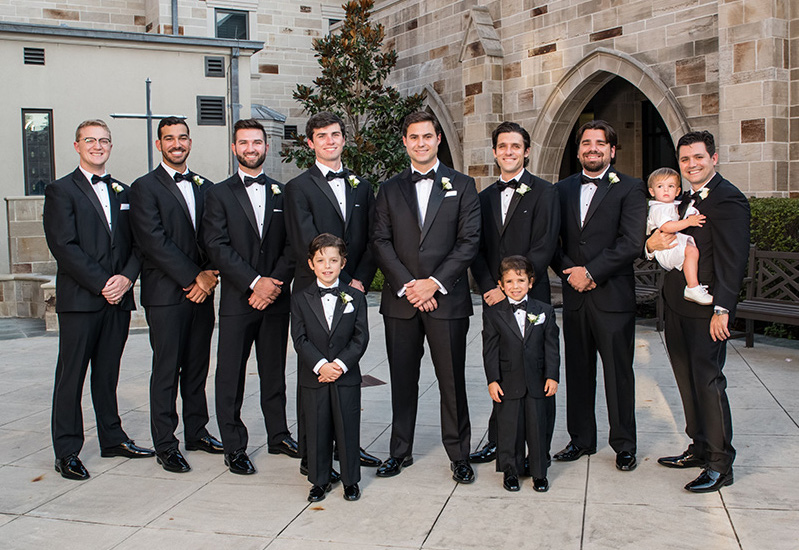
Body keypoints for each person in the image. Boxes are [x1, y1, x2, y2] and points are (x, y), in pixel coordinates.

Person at [372, 111, 481, 483]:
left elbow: (469, 242)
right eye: (413, 137)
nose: (420, 143)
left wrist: (433, 283)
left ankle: (459, 454)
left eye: (427, 136)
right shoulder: (388, 189)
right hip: (401, 302)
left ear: (438, 140)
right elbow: (381, 241)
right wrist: (408, 285)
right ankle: (399, 451)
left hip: (446, 300)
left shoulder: (463, 185)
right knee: (403, 380)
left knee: (452, 381)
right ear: (405, 142)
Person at [43, 119, 154, 480]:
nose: (97, 146)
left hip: (117, 299)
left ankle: (112, 437)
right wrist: (103, 282)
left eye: (103, 140)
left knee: (107, 374)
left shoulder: (124, 192)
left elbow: (139, 244)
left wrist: (126, 278)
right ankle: (67, 450)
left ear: (110, 146)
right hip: (81, 300)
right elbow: (64, 246)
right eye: (89, 140)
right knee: (70, 376)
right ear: (77, 146)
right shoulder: (60, 191)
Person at [646, 131, 749, 492]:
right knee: (686, 379)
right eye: (686, 159)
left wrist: (723, 309)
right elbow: (661, 239)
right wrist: (649, 244)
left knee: (707, 381)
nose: (692, 164)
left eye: (699, 158)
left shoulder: (729, 199)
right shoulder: (679, 197)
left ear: (714, 158)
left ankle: (721, 463)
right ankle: (700, 446)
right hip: (675, 303)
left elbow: (733, 260)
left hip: (706, 308)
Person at [284, 111, 381, 471]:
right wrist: (332, 276)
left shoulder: (362, 186)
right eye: (321, 136)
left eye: (335, 134)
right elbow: (303, 240)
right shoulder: (297, 187)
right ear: (310, 143)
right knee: (314, 374)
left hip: (351, 288)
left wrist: (359, 280)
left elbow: (372, 238)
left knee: (348, 372)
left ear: (344, 139)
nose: (330, 141)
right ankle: (314, 456)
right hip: (314, 288)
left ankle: (349, 448)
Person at [202, 119, 298, 475]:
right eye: (244, 143)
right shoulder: (218, 193)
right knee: (230, 374)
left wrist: (272, 283)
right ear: (234, 148)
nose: (251, 148)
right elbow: (216, 245)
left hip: (275, 299)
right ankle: (234, 446)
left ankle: (279, 435)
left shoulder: (282, 192)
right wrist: (253, 282)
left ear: (266, 147)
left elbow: (293, 244)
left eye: (256, 142)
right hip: (238, 300)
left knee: (274, 371)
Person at [550, 119, 646, 471]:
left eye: (600, 143)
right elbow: (552, 242)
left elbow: (631, 242)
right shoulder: (560, 190)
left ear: (612, 150)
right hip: (575, 298)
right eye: (587, 143)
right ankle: (580, 439)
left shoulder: (631, 188)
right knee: (578, 371)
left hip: (613, 297)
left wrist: (590, 272)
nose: (593, 148)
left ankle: (623, 443)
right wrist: (570, 273)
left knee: (618, 373)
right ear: (578, 151)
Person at [129, 117, 222, 473]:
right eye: (169, 138)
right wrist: (193, 278)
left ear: (190, 142)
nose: (177, 143)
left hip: (203, 291)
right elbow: (153, 241)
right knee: (167, 369)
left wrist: (211, 274)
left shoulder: (206, 187)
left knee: (197, 367)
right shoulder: (143, 188)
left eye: (182, 137)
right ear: (159, 145)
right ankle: (166, 442)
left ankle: (197, 431)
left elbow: (215, 236)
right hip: (167, 294)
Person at [469, 121, 559, 464]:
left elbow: (546, 243)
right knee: (502, 370)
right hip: (496, 299)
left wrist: (518, 288)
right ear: (495, 152)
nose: (509, 152)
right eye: (503, 146)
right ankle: (499, 442)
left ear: (527, 151)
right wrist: (492, 288)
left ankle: (539, 449)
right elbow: (475, 249)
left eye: (515, 146)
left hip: (530, 295)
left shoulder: (545, 192)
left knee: (537, 371)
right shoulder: (483, 198)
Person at [291, 233, 369, 502]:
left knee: (347, 427)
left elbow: (361, 338)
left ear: (343, 263)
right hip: (315, 377)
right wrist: (321, 365)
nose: (327, 266)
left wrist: (339, 365)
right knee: (317, 428)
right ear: (311, 264)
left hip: (345, 375)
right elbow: (299, 339)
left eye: (333, 260)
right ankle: (319, 480)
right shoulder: (300, 298)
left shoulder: (355, 297)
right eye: (321, 260)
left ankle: (350, 480)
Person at [482, 256, 559, 493]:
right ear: (501, 285)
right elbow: (490, 349)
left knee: (538, 428)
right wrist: (492, 380)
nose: (516, 286)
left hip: (537, 382)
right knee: (509, 429)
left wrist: (552, 376)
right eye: (510, 281)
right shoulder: (494, 314)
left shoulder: (543, 311)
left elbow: (552, 347)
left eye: (521, 280)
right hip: (508, 381)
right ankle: (510, 471)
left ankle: (539, 472)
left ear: (531, 282)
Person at [646, 167, 712, 305]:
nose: (665, 190)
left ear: (677, 191)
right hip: (666, 248)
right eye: (660, 186)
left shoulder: (672, 205)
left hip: (673, 244)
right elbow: (667, 226)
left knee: (692, 252)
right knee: (691, 251)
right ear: (652, 191)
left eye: (670, 186)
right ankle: (692, 287)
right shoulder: (658, 208)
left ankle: (692, 286)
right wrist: (688, 222)